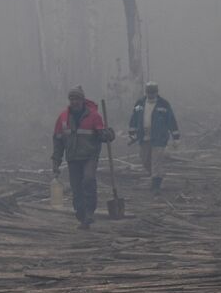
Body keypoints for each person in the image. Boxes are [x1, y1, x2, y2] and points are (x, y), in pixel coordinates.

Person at [52, 86, 115, 228]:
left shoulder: (94, 116)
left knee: (88, 180)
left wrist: (108, 135)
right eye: (72, 99)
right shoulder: (62, 118)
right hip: (73, 158)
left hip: (89, 156)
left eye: (77, 99)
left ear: (83, 100)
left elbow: (101, 135)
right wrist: (56, 161)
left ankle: (89, 212)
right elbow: (58, 141)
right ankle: (81, 215)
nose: (74, 101)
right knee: (76, 187)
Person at [128, 81, 180, 193]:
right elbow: (134, 118)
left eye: (153, 93)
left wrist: (176, 137)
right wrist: (132, 133)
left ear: (157, 92)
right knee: (144, 159)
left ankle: (156, 185)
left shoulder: (164, 104)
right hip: (143, 137)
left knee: (156, 161)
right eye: (149, 93)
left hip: (159, 138)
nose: (151, 95)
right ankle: (156, 175)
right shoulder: (140, 103)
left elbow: (171, 121)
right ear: (146, 92)